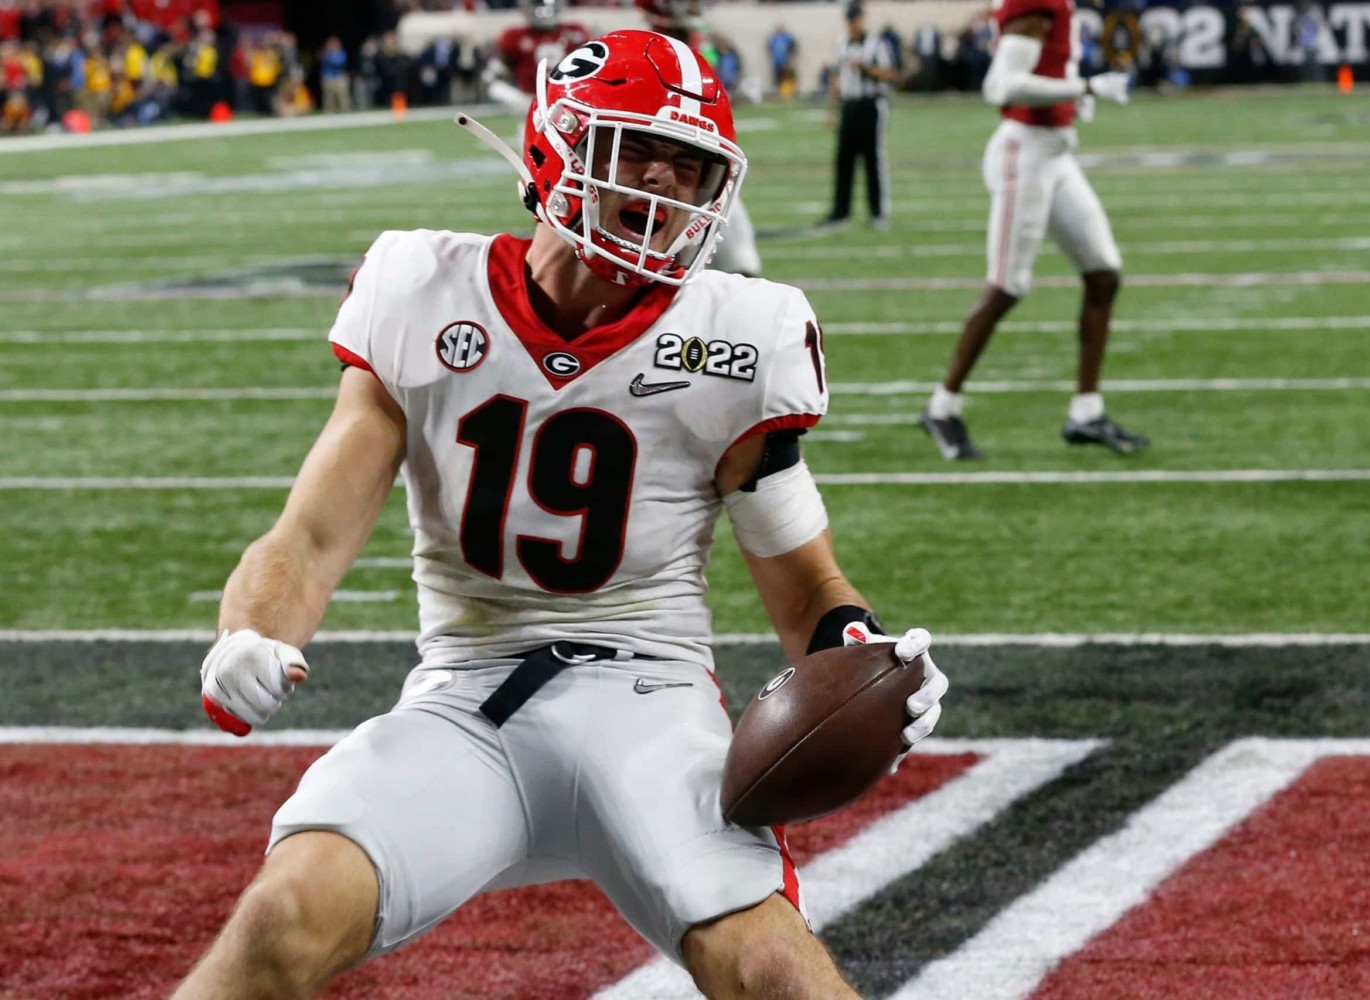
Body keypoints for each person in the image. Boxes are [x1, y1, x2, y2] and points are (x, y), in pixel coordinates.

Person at [173, 30, 947, 1000]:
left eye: (692, 165)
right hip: (465, 699)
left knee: (771, 969)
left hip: (650, 703)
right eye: (641, 152)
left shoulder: (740, 337)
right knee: (281, 919)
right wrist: (249, 632)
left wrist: (864, 649)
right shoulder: (422, 290)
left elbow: (808, 586)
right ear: (557, 148)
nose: (667, 186)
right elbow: (310, 536)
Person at [919, 0, 1147, 459]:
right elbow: (1001, 86)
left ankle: (1086, 412)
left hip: (1054, 155)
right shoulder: (1035, 6)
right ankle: (942, 407)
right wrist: (1083, 86)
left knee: (1104, 273)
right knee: (1008, 285)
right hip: (1023, 156)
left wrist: (1074, 92)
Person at [634, 0, 763, 277]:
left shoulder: (696, 43)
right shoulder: (647, 49)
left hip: (697, 158)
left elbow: (709, 95)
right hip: (662, 162)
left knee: (733, 252)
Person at [823, 1, 897, 230]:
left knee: (872, 160)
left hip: (870, 104)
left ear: (862, 19)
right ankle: (840, 212)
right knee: (844, 159)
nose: (853, 24)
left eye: (856, 19)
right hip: (849, 105)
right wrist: (832, 109)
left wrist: (865, 68)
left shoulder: (877, 43)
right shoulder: (842, 43)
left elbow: (890, 73)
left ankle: (878, 212)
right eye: (850, 19)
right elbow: (836, 78)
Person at [489, 0, 591, 114]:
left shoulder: (574, 31)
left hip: (567, 95)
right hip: (529, 97)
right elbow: (504, 65)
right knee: (496, 88)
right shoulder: (514, 35)